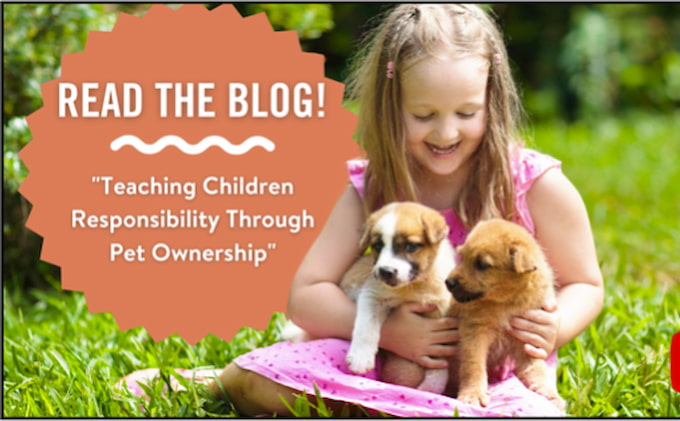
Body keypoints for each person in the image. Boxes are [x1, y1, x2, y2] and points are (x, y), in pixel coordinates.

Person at [117, 4, 603, 417]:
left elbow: (587, 282)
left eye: (466, 113)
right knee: (265, 380)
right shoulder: (370, 189)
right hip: (380, 361)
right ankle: (216, 380)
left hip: (495, 374)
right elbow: (305, 295)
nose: (446, 132)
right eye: (424, 115)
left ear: (492, 101)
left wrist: (557, 325)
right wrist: (391, 333)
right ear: (393, 105)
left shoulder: (534, 184)